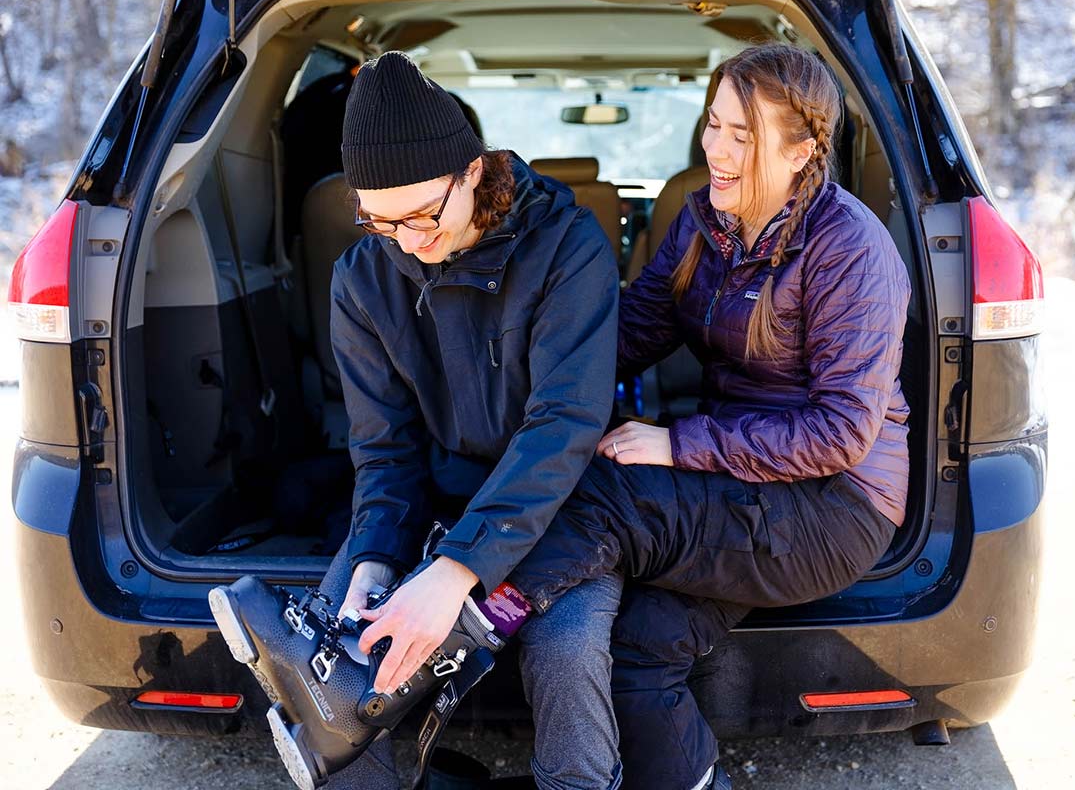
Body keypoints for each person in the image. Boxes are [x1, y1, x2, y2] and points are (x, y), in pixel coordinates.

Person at [356, 42, 912, 790]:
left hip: (833, 508)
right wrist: (535, 384)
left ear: (805, 148)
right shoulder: (703, 227)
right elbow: (626, 334)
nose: (715, 148)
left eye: (741, 135)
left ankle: (459, 637)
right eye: (712, 125)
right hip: (745, 494)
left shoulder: (850, 249)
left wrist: (682, 443)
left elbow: (840, 434)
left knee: (609, 490)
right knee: (638, 649)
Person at [212, 51, 627, 790]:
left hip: (565, 503)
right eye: (379, 219)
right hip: (432, 497)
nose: (408, 240)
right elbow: (384, 451)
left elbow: (564, 426)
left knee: (566, 649)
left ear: (473, 171)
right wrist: (373, 558)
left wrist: (454, 573)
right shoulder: (361, 279)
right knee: (343, 662)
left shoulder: (568, 247)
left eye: (422, 214)